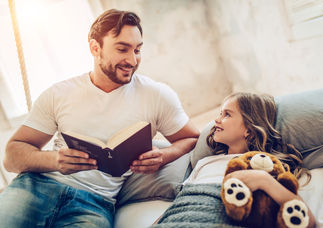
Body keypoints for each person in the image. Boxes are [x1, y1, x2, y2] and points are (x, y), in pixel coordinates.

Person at [0, 9, 199, 228]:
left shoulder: (157, 95)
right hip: (38, 186)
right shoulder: (59, 94)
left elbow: (192, 138)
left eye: (138, 50)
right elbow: (11, 156)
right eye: (122, 49)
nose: (132, 60)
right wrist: (55, 160)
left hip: (94, 204)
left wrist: (164, 155)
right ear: (95, 48)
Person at [152, 92, 315, 228]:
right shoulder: (205, 162)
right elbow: (181, 202)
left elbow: (308, 221)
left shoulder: (264, 165)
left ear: (249, 131)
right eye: (220, 113)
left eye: (227, 114)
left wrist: (263, 180)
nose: (217, 120)